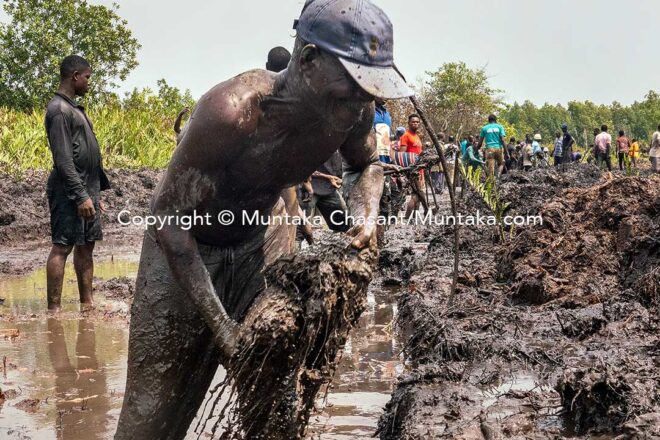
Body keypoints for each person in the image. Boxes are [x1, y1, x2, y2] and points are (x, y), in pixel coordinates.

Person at [115, 0, 412, 438]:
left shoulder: (356, 111)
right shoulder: (233, 112)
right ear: (308, 60)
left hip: (261, 238)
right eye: (352, 85)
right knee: (150, 418)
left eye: (369, 88)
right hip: (186, 247)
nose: (360, 103)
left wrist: (367, 214)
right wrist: (225, 332)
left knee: (275, 408)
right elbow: (167, 220)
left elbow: (366, 164)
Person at [44, 55, 111, 312]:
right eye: (87, 77)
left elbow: (86, 154)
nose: (89, 83)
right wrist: (80, 195)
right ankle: (54, 311)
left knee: (86, 247)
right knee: (63, 246)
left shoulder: (74, 109)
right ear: (74, 76)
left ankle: (87, 305)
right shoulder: (59, 111)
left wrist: (95, 194)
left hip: (86, 189)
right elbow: (63, 159)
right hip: (68, 191)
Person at [399, 114, 425, 218]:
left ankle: (413, 217)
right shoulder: (405, 136)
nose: (415, 124)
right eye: (413, 122)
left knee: (417, 195)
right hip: (412, 169)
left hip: (420, 169)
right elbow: (402, 155)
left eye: (417, 122)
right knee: (417, 193)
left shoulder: (417, 136)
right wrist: (405, 171)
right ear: (409, 123)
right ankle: (407, 216)